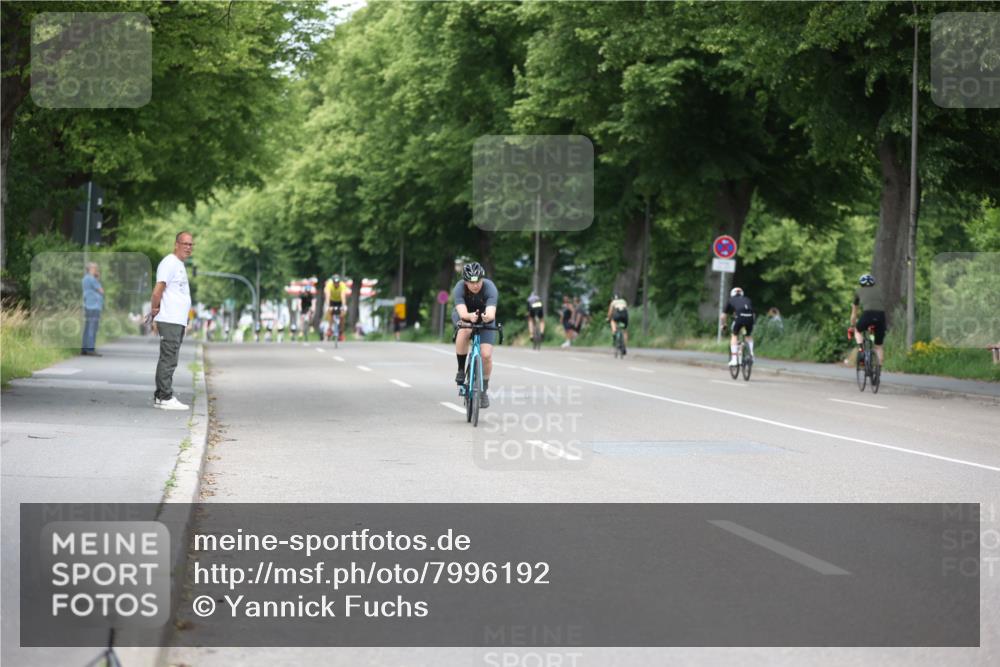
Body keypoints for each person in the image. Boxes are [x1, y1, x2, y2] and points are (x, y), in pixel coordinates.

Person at [150, 232, 193, 410]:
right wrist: (154, 309)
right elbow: (158, 289)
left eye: (191, 245)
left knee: (169, 358)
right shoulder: (169, 262)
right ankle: (165, 396)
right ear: (176, 244)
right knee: (168, 358)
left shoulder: (179, 264)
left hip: (177, 320)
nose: (188, 247)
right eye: (185, 244)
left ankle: (161, 396)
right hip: (170, 319)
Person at [452, 262, 498, 408]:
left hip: (485, 318)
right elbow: (462, 312)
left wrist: (486, 317)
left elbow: (491, 312)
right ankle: (460, 369)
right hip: (465, 315)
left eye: (478, 281)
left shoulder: (489, 287)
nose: (475, 285)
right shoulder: (459, 288)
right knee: (464, 330)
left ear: (482, 279)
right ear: (465, 282)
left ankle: (483, 390)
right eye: (471, 282)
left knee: (486, 355)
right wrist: (468, 317)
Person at [851, 273, 887, 366]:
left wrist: (852, 325)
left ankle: (861, 350)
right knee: (879, 346)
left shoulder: (858, 292)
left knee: (857, 331)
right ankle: (878, 370)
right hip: (880, 316)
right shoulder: (879, 291)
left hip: (868, 315)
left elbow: (854, 314)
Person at [721, 286, 755, 367]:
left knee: (734, 335)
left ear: (732, 294)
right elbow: (753, 313)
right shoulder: (747, 299)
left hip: (740, 318)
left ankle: (734, 359)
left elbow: (723, 316)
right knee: (748, 335)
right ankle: (751, 353)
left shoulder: (731, 300)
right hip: (750, 318)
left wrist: (723, 325)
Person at [81, 262, 104, 356]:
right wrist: (97, 278)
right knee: (92, 328)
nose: (96, 270)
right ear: (90, 269)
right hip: (94, 306)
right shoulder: (92, 279)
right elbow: (101, 291)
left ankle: (84, 348)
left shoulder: (85, 278)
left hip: (88, 305)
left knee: (87, 327)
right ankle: (90, 349)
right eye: (95, 268)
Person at [324, 274, 346, 341]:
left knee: (342, 315)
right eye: (335, 283)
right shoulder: (329, 285)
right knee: (330, 312)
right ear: (333, 282)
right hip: (331, 301)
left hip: (339, 301)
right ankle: (330, 329)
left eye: (337, 283)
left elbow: (343, 296)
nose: (336, 284)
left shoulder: (342, 285)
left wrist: (343, 306)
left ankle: (341, 332)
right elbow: (327, 296)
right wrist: (328, 306)